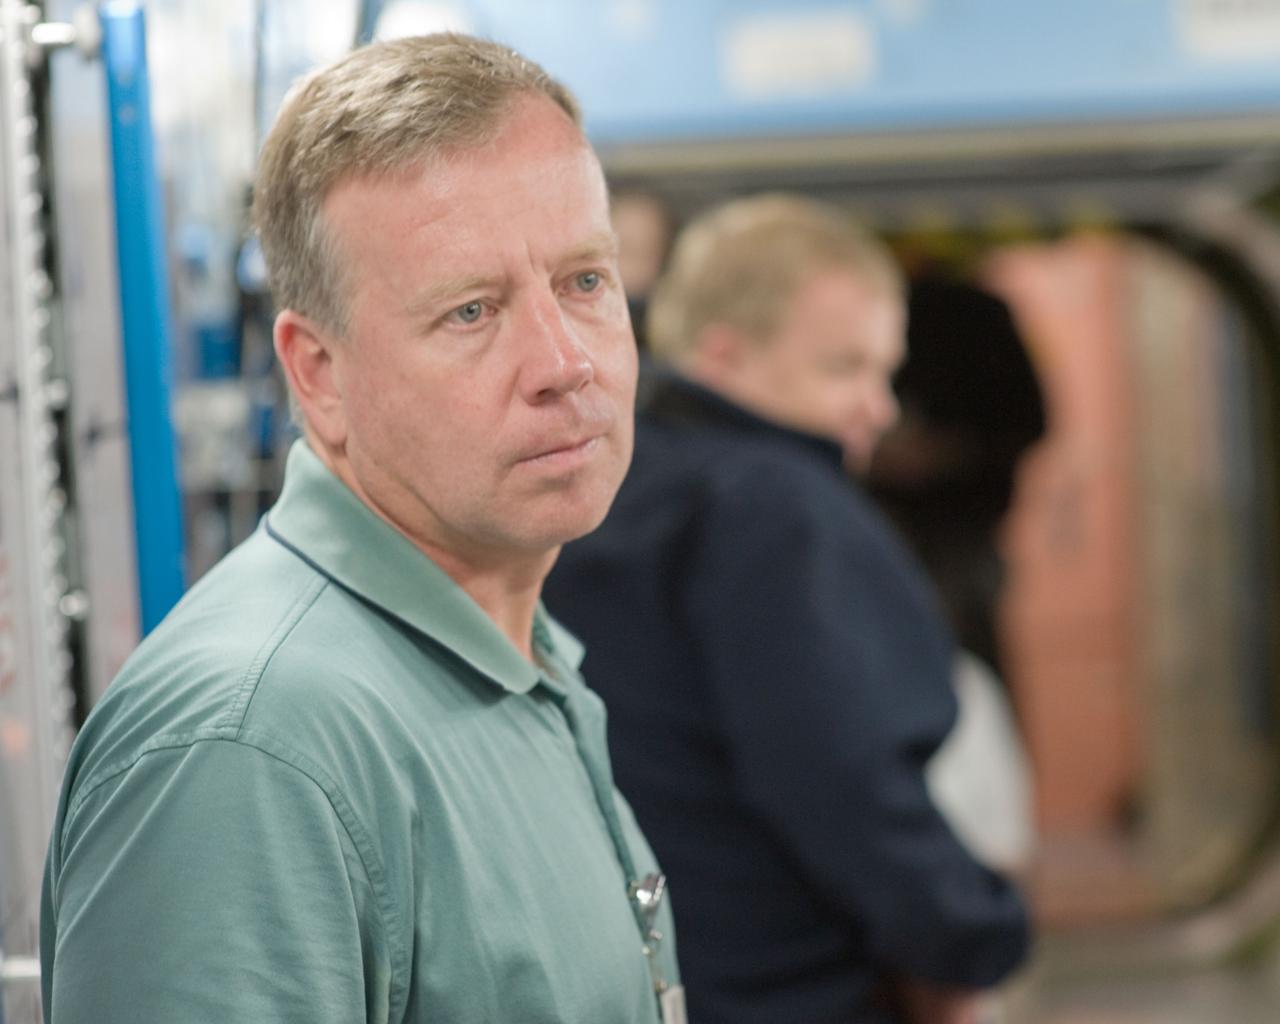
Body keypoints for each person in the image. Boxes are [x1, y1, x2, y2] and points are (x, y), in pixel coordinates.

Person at [40, 35, 681, 1024]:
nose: (563, 360)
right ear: (318, 375)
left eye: (584, 282)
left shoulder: (509, 657)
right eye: (471, 311)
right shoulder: (251, 747)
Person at [545, 194, 1030, 1024]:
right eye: (846, 369)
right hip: (795, 987)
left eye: (887, 372)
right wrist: (974, 936)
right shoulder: (777, 511)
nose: (880, 409)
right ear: (724, 356)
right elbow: (844, 776)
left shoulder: (586, 492)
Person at [868, 272, 1047, 688]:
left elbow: (1027, 422)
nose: (874, 409)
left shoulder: (976, 316)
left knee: (968, 671)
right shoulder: (845, 306)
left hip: (958, 534)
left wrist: (942, 453)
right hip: (877, 524)